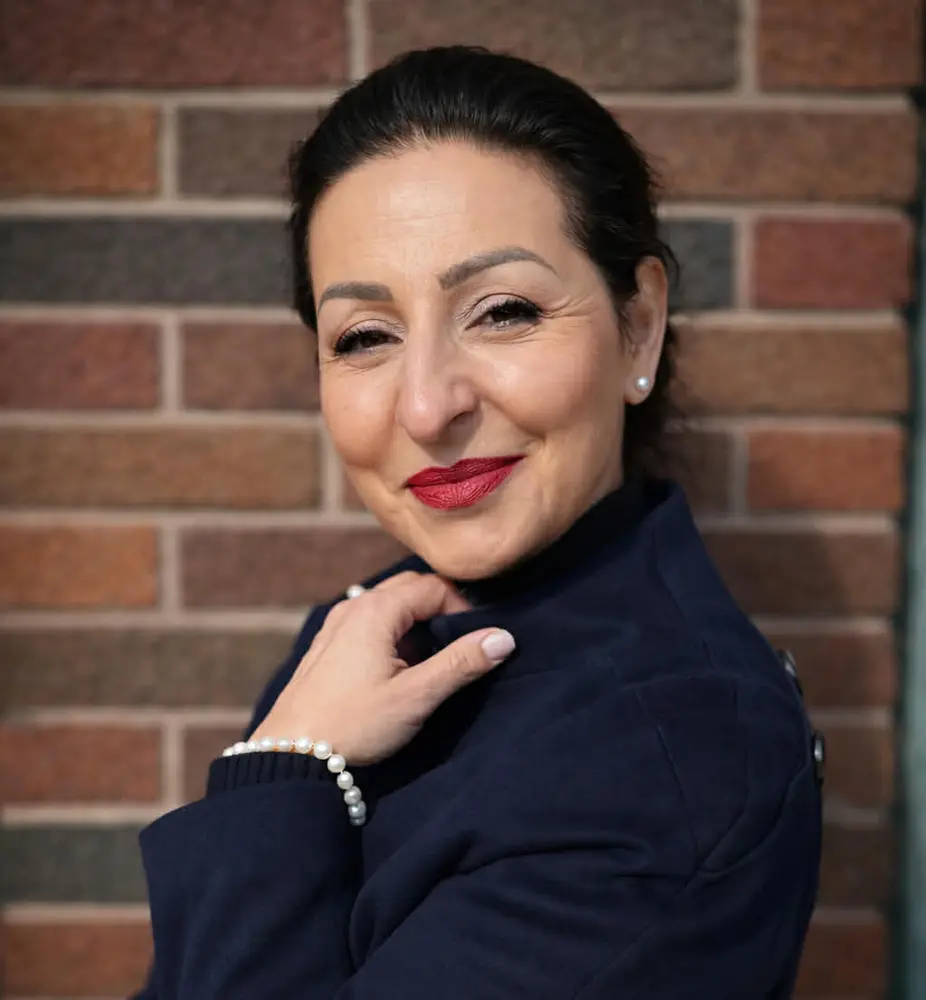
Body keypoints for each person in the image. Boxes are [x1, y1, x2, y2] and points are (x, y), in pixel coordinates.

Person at [133, 46, 822, 999]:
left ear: (639, 327)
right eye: (365, 336)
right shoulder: (380, 625)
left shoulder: (670, 760)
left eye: (501, 312)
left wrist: (281, 775)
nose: (427, 407)